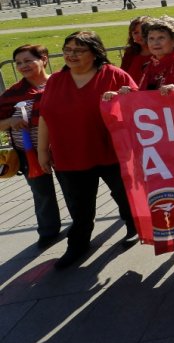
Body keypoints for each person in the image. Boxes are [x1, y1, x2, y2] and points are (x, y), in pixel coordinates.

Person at [37, 31, 138, 269]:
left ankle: (134, 225)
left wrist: (126, 98)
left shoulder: (114, 75)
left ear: (94, 53)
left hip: (111, 151)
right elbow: (45, 116)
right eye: (67, 50)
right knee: (79, 205)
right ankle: (78, 244)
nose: (71, 55)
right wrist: (43, 150)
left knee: (124, 194)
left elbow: (139, 107)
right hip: (70, 153)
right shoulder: (55, 81)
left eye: (78, 50)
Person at [0, 44, 61, 249]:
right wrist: (9, 122)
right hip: (29, 153)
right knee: (41, 193)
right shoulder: (12, 93)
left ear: (43, 59)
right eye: (18, 63)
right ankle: (48, 231)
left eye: (28, 61)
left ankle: (81, 226)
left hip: (61, 148)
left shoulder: (59, 84)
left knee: (73, 190)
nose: (22, 66)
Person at [112, 16, 174, 94]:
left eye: (161, 38)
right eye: (151, 38)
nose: (155, 43)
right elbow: (145, 96)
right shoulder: (147, 67)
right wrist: (128, 93)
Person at [119, 15, 154, 89]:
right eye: (136, 32)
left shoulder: (161, 52)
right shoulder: (129, 54)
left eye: (144, 31)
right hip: (133, 97)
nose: (140, 35)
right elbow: (122, 78)